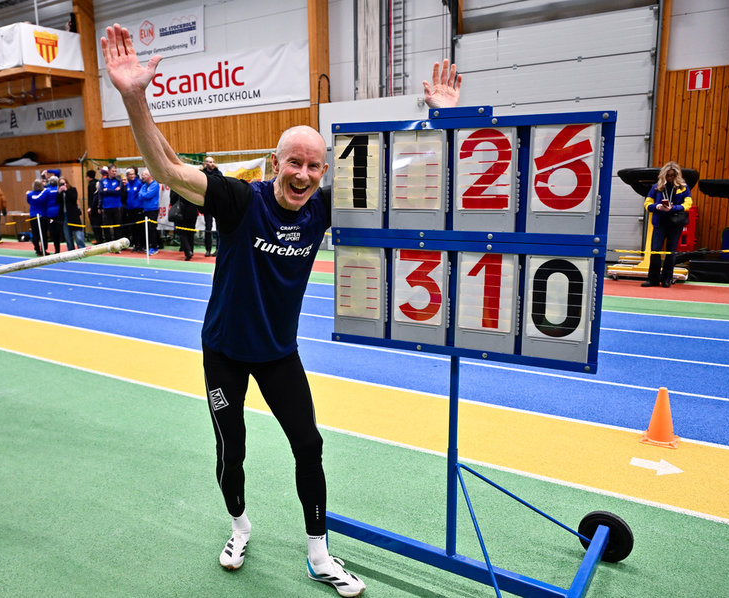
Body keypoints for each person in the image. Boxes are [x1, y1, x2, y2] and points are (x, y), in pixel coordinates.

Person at [102, 23, 461, 597]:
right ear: (275, 162)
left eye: (314, 167)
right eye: (294, 162)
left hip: (277, 354)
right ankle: (239, 525)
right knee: (232, 446)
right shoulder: (239, 201)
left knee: (309, 444)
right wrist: (130, 96)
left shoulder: (322, 211)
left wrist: (442, 119)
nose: (302, 174)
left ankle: (319, 553)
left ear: (323, 172)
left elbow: (409, 178)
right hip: (223, 351)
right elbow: (167, 171)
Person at [641, 161, 692, 288]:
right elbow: (647, 203)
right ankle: (653, 279)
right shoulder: (656, 187)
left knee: (671, 252)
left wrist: (673, 208)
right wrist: (656, 206)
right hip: (659, 222)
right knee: (655, 251)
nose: (670, 178)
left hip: (675, 223)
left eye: (673, 175)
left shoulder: (683, 187)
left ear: (677, 175)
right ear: (663, 175)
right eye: (668, 175)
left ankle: (667, 279)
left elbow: (688, 204)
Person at [201, 156, 222, 256]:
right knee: (208, 227)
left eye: (213, 162)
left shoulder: (218, 173)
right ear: (205, 163)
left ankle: (218, 249)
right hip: (207, 204)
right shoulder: (201, 174)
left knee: (219, 228)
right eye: (209, 162)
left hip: (217, 203)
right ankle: (208, 249)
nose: (212, 164)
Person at [170, 187, 198, 260]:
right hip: (192, 211)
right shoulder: (192, 185)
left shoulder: (175, 186)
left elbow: (172, 200)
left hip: (180, 212)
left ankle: (188, 251)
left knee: (182, 233)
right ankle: (190, 250)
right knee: (190, 232)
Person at [58, 176, 85, 249]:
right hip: (64, 215)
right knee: (67, 235)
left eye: (64, 183)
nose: (62, 185)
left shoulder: (72, 189)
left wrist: (66, 190)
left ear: (67, 183)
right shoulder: (60, 193)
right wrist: (59, 192)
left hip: (73, 215)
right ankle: (71, 250)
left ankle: (82, 248)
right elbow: (57, 202)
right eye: (61, 184)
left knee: (78, 233)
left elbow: (73, 199)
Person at [138, 168, 160, 255]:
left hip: (153, 210)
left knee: (152, 229)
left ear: (150, 176)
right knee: (147, 229)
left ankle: (154, 247)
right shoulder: (144, 185)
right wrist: (144, 194)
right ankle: (149, 246)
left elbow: (148, 195)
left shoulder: (155, 185)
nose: (142, 176)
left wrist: (144, 194)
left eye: (144, 175)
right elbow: (140, 196)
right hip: (146, 210)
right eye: (142, 174)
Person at [26, 179, 51, 256]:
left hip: (33, 215)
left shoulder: (30, 194)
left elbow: (29, 202)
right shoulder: (45, 193)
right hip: (43, 215)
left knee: (35, 233)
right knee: (43, 233)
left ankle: (37, 249)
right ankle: (44, 249)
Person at [98, 164, 122, 242]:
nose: (114, 173)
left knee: (117, 226)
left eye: (115, 171)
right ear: (108, 171)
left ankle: (117, 243)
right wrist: (99, 206)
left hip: (116, 206)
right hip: (106, 206)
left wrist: (107, 190)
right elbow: (101, 192)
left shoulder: (119, 181)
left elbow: (119, 192)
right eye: (112, 171)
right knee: (106, 226)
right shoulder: (102, 181)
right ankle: (108, 243)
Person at [122, 166, 144, 251]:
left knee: (140, 228)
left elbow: (141, 196)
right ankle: (135, 245)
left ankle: (141, 245)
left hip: (138, 209)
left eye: (133, 174)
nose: (132, 176)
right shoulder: (127, 185)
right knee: (133, 228)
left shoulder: (139, 183)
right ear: (127, 175)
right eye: (130, 174)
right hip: (130, 209)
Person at [45, 175, 63, 253]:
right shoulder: (59, 189)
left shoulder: (47, 190)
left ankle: (56, 248)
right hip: (58, 212)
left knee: (52, 230)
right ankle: (58, 248)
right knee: (59, 230)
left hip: (50, 213)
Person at [87, 169, 104, 244]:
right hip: (96, 208)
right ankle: (99, 239)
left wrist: (90, 207)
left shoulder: (91, 185)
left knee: (95, 224)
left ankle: (99, 239)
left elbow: (91, 198)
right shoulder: (97, 182)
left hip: (95, 209)